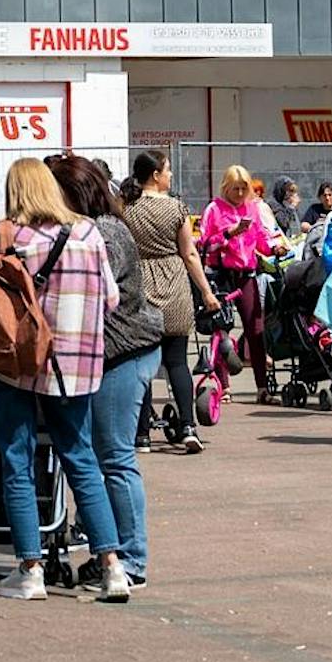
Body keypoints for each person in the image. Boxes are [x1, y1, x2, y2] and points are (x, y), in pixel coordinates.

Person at [0, 158, 133, 602]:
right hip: (78, 366)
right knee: (81, 460)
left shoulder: (6, 236)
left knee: (18, 461)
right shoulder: (89, 234)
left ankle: (29, 569)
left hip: (16, 363)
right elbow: (110, 298)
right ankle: (112, 568)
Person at [47, 153, 160, 587]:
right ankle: (109, 548)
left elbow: (86, 288)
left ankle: (131, 559)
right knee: (96, 457)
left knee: (114, 457)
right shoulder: (90, 229)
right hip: (107, 355)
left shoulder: (104, 232)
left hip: (124, 352)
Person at [120, 150, 216, 453]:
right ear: (156, 175)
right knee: (177, 362)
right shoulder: (176, 208)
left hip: (142, 285)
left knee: (143, 364)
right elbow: (189, 253)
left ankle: (142, 433)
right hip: (174, 283)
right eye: (168, 170)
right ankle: (188, 426)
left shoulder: (128, 209)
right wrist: (206, 291)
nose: (171, 175)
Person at [197, 165, 278, 400]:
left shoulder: (253, 208)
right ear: (226, 188)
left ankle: (262, 387)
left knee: (256, 329)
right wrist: (229, 233)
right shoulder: (214, 209)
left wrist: (275, 247)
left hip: (247, 275)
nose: (241, 193)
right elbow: (204, 245)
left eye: (245, 188)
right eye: (236, 189)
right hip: (221, 275)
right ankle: (224, 386)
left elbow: (262, 239)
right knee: (221, 328)